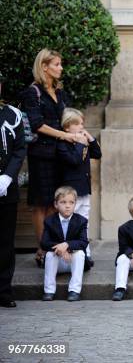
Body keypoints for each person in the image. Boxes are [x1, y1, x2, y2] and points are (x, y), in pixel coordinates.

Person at [20, 49, 88, 267]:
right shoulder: (32, 92)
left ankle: (54, 246)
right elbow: (37, 124)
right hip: (41, 155)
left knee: (54, 202)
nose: (61, 68)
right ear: (44, 67)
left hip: (61, 155)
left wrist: (78, 132)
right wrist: (66, 135)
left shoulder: (60, 92)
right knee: (41, 203)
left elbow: (68, 118)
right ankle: (43, 250)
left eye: (60, 64)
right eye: (56, 64)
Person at [57, 107, 102, 267]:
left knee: (84, 223)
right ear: (67, 127)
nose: (82, 127)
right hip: (72, 193)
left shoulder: (83, 141)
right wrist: (82, 145)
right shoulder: (62, 144)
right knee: (71, 223)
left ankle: (85, 254)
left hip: (84, 189)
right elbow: (75, 161)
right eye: (78, 124)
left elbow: (97, 153)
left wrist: (89, 139)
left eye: (83, 123)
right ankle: (71, 253)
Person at [0, 72, 26, 308]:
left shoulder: (12, 114)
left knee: (6, 242)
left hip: (5, 190)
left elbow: (19, 149)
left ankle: (4, 292)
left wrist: (7, 177)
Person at [40, 186, 88, 301]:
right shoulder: (49, 221)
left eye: (71, 202)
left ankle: (74, 291)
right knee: (49, 255)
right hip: (59, 262)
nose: (67, 205)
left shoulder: (81, 220)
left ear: (75, 204)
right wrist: (61, 250)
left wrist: (66, 245)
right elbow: (44, 243)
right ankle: (49, 291)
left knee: (80, 253)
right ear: (56, 204)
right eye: (63, 202)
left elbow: (83, 242)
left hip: (73, 261)